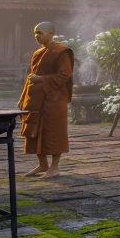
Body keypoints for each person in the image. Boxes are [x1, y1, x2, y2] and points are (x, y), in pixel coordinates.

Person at [19, 22, 73, 179]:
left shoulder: (61, 51)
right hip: (35, 98)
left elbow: (64, 75)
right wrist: (22, 97)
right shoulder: (38, 53)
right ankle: (43, 164)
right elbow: (31, 77)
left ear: (51, 33)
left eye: (40, 33)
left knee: (54, 132)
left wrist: (41, 79)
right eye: (35, 33)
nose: (37, 36)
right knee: (33, 129)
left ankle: (54, 167)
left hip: (54, 99)